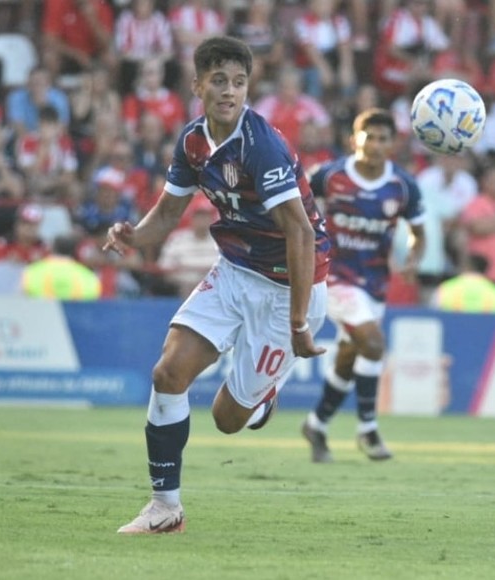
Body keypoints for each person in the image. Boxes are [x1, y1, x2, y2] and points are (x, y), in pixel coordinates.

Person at [104, 36, 331, 534]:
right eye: (220, 80)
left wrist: (297, 321)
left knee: (228, 419)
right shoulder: (192, 141)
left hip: (288, 286)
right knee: (168, 373)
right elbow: (168, 212)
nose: (230, 91)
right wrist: (133, 236)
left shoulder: (262, 145)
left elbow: (300, 231)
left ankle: (262, 396)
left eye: (240, 82)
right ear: (198, 85)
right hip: (233, 271)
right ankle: (165, 508)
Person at [300, 108, 425, 464]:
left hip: (374, 282)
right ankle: (368, 429)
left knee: (349, 356)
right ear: (355, 140)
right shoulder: (329, 176)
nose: (376, 144)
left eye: (383, 138)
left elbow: (419, 232)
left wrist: (414, 258)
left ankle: (316, 424)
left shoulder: (402, 186)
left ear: (393, 144)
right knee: (373, 343)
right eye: (369, 136)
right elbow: (298, 211)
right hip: (333, 276)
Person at [21, 234, 102, 300]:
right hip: (74, 318)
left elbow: (22, 297)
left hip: (39, 317)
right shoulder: (88, 276)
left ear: (52, 249)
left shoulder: (32, 271)